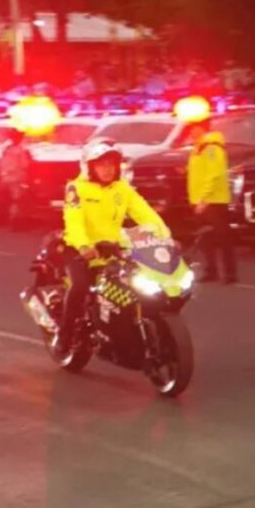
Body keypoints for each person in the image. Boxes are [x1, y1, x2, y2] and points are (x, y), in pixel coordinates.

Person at [54, 139, 169, 355]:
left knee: (139, 285)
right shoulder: (76, 188)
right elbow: (74, 221)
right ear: (89, 166)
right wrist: (84, 246)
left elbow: (145, 214)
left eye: (111, 165)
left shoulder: (122, 189)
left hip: (114, 249)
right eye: (101, 164)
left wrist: (165, 237)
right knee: (79, 287)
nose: (107, 169)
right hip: (81, 251)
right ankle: (65, 336)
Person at [184, 110, 237, 284]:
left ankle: (229, 274)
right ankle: (211, 271)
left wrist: (204, 199)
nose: (190, 131)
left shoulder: (212, 146)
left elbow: (214, 174)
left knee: (223, 239)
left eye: (192, 127)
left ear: (201, 127)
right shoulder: (199, 146)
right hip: (202, 200)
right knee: (206, 239)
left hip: (213, 201)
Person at [0, 127, 31, 226]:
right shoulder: (21, 151)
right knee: (17, 199)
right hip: (17, 178)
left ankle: (11, 217)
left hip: (5, 177)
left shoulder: (6, 150)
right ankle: (16, 219)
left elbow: (0, 164)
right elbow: (25, 165)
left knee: (10, 199)